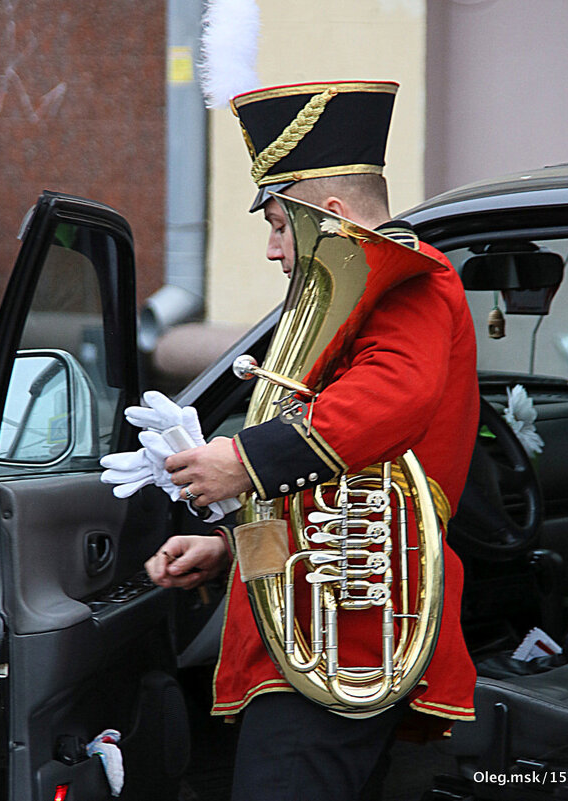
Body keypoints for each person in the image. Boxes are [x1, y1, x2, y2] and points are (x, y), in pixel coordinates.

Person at [134, 81, 479, 800]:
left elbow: (391, 401)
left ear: (329, 213)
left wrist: (245, 457)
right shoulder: (365, 294)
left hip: (350, 632)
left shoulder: (411, 282)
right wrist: (231, 546)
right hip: (324, 620)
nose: (270, 250)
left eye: (277, 224)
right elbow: (333, 483)